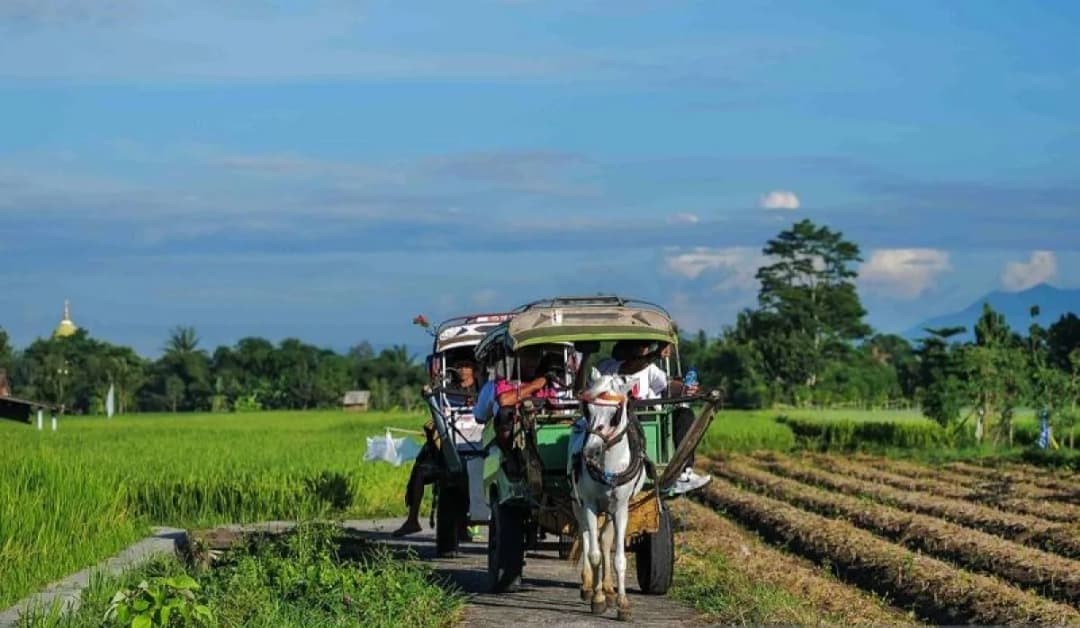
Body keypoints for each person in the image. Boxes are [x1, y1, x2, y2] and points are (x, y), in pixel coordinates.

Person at [597, 340, 711, 495]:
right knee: (638, 416)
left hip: (647, 416)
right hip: (617, 419)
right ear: (627, 348)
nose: (645, 349)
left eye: (647, 346)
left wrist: (685, 388)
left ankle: (683, 473)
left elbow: (667, 386)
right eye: (643, 346)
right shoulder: (607, 367)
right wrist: (655, 354)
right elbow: (630, 368)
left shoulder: (648, 368)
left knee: (684, 414)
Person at [392, 359, 479, 538]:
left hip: (477, 437)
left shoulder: (483, 389)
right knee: (421, 468)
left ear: (475, 370)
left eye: (467, 366)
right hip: (450, 438)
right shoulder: (446, 390)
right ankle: (412, 519)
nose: (462, 369)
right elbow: (436, 405)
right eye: (460, 366)